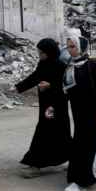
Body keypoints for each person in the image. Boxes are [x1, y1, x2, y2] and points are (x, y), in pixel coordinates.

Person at [62, 35, 96, 191]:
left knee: (87, 144)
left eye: (72, 46)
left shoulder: (91, 65)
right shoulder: (70, 65)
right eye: (68, 46)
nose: (69, 50)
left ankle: (83, 181)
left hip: (91, 111)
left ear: (81, 47)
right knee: (81, 142)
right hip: (77, 111)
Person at [15, 39, 70, 174]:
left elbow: (67, 87)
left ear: (49, 52)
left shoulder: (60, 66)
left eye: (41, 52)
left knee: (46, 132)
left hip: (57, 106)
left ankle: (36, 164)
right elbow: (35, 77)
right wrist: (18, 87)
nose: (39, 54)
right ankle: (56, 160)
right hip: (46, 104)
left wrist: (50, 86)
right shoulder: (43, 64)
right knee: (50, 132)